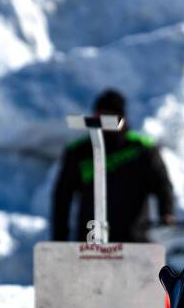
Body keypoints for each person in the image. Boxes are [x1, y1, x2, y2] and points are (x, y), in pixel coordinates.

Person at [51, 89, 175, 243]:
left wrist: (166, 212)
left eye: (108, 117)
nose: (102, 124)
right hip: (90, 243)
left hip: (134, 240)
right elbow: (62, 197)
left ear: (121, 118)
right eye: (98, 117)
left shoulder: (141, 148)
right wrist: (59, 238)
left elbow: (162, 184)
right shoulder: (78, 151)